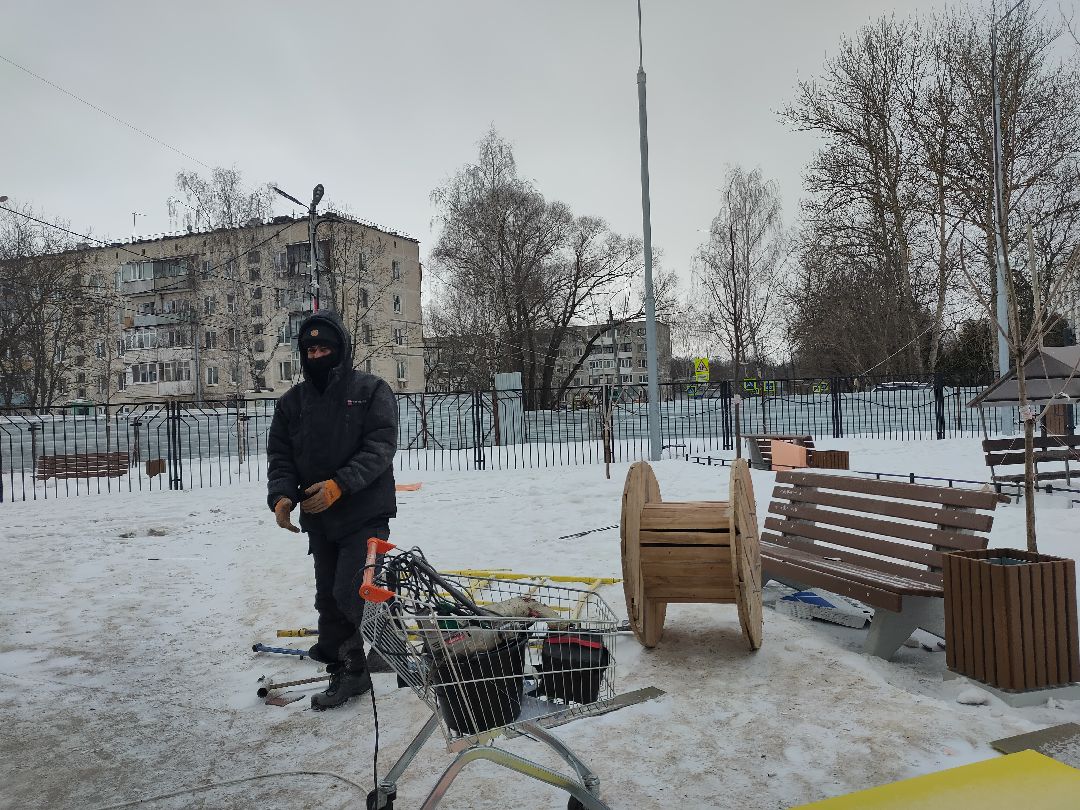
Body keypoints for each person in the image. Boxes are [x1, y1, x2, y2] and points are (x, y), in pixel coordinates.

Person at [267, 310, 399, 710]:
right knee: (329, 597)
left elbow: (380, 447)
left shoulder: (371, 389)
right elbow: (281, 456)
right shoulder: (292, 403)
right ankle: (350, 670)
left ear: (340, 349)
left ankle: (392, 648)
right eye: (310, 349)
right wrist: (282, 496)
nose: (317, 354)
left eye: (324, 347)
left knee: (351, 589)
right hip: (319, 517)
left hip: (365, 511)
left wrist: (341, 484)